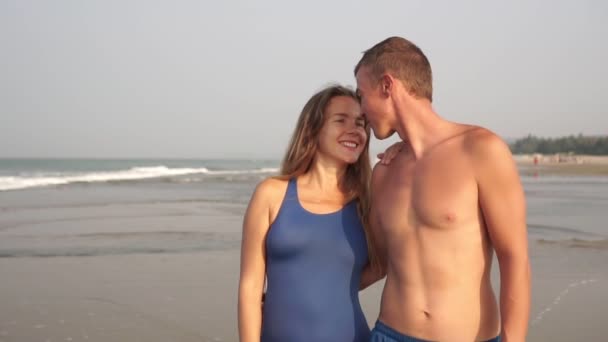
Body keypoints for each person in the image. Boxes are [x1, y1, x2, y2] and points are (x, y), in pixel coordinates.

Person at [355, 37, 531, 342]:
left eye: (361, 95)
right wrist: (293, 291)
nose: (360, 110)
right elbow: (377, 264)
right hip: (389, 334)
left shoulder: (480, 150)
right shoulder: (384, 172)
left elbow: (514, 257)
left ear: (387, 86)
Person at [238, 84, 374, 342]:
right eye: (340, 120)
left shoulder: (368, 202)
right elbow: (250, 288)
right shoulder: (271, 194)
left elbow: (385, 264)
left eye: (360, 123)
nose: (354, 130)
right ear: (313, 129)